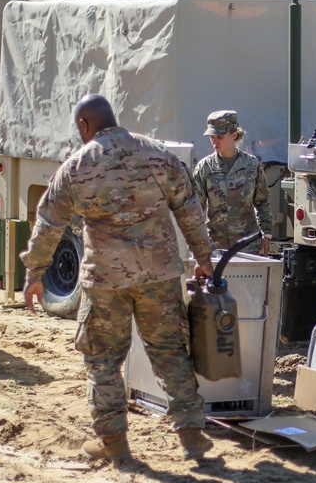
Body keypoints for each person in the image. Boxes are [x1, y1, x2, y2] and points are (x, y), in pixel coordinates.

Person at [20, 94, 217, 463]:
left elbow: (49, 224)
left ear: (84, 125)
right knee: (171, 352)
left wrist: (35, 273)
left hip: (106, 280)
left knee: (103, 361)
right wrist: (203, 257)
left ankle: (113, 443)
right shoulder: (158, 154)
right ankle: (191, 435)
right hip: (159, 275)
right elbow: (189, 208)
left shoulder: (77, 166)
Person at [193, 110, 273, 255]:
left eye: (220, 136)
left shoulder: (252, 165)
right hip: (216, 246)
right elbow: (196, 208)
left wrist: (267, 234)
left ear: (234, 135)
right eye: (212, 137)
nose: (214, 141)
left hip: (248, 246)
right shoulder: (205, 168)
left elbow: (262, 202)